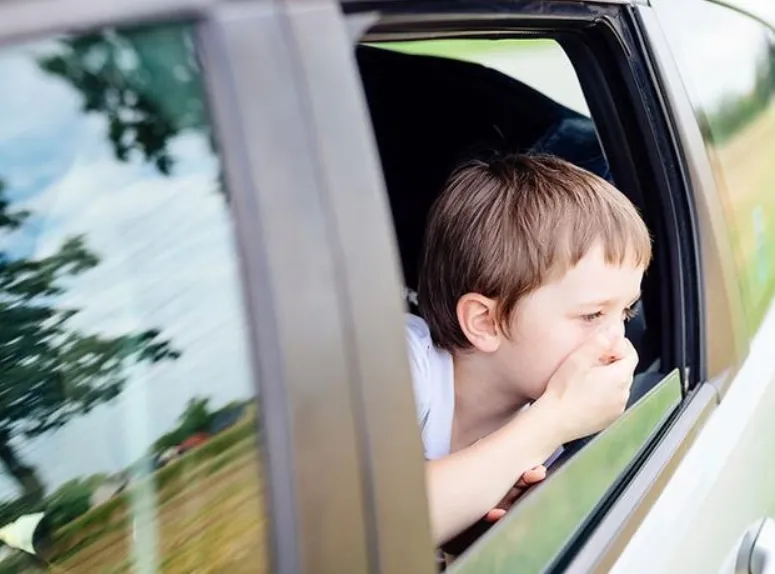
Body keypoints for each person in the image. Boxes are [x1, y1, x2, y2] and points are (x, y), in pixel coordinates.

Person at [406, 154, 651, 545]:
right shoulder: (402, 368)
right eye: (591, 315)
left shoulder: (546, 426)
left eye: (626, 311)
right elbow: (372, 528)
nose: (618, 344)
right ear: (486, 321)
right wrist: (553, 420)